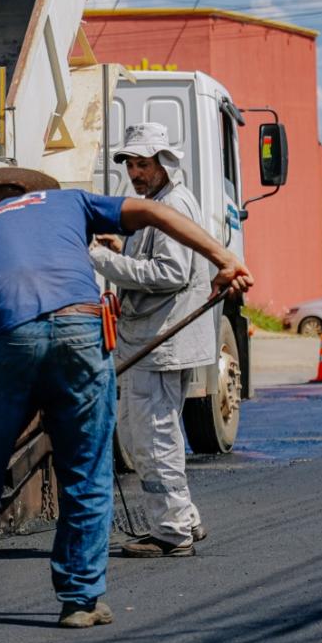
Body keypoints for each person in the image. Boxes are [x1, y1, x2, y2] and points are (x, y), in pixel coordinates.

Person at [0, 167, 252, 628]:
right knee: (86, 468)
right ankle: (81, 600)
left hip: (8, 338)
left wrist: (23, 401)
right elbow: (155, 211)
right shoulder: (68, 202)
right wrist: (223, 258)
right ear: (25, 191)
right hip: (79, 328)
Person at [91, 123, 214, 558]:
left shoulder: (172, 205)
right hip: (153, 341)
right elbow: (154, 262)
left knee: (154, 439)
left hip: (161, 343)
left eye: (143, 164)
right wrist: (122, 252)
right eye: (131, 165)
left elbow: (170, 273)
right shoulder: (157, 205)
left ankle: (172, 531)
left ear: (163, 162)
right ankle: (183, 520)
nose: (136, 173)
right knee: (150, 434)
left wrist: (104, 261)